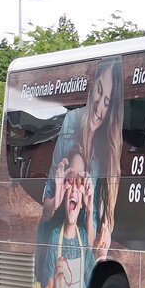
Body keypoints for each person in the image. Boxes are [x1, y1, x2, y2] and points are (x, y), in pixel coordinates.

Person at [40, 57, 124, 257]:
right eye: (99, 90)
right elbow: (47, 207)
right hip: (60, 239)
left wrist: (102, 248)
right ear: (92, 85)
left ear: (111, 109)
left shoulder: (110, 148)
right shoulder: (72, 121)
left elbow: (105, 225)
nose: (98, 106)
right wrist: (58, 196)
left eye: (107, 102)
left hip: (87, 249)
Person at [39, 150, 96, 288]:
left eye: (78, 183)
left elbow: (92, 279)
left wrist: (90, 207)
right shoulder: (55, 237)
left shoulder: (84, 237)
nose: (73, 190)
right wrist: (55, 286)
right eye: (69, 181)